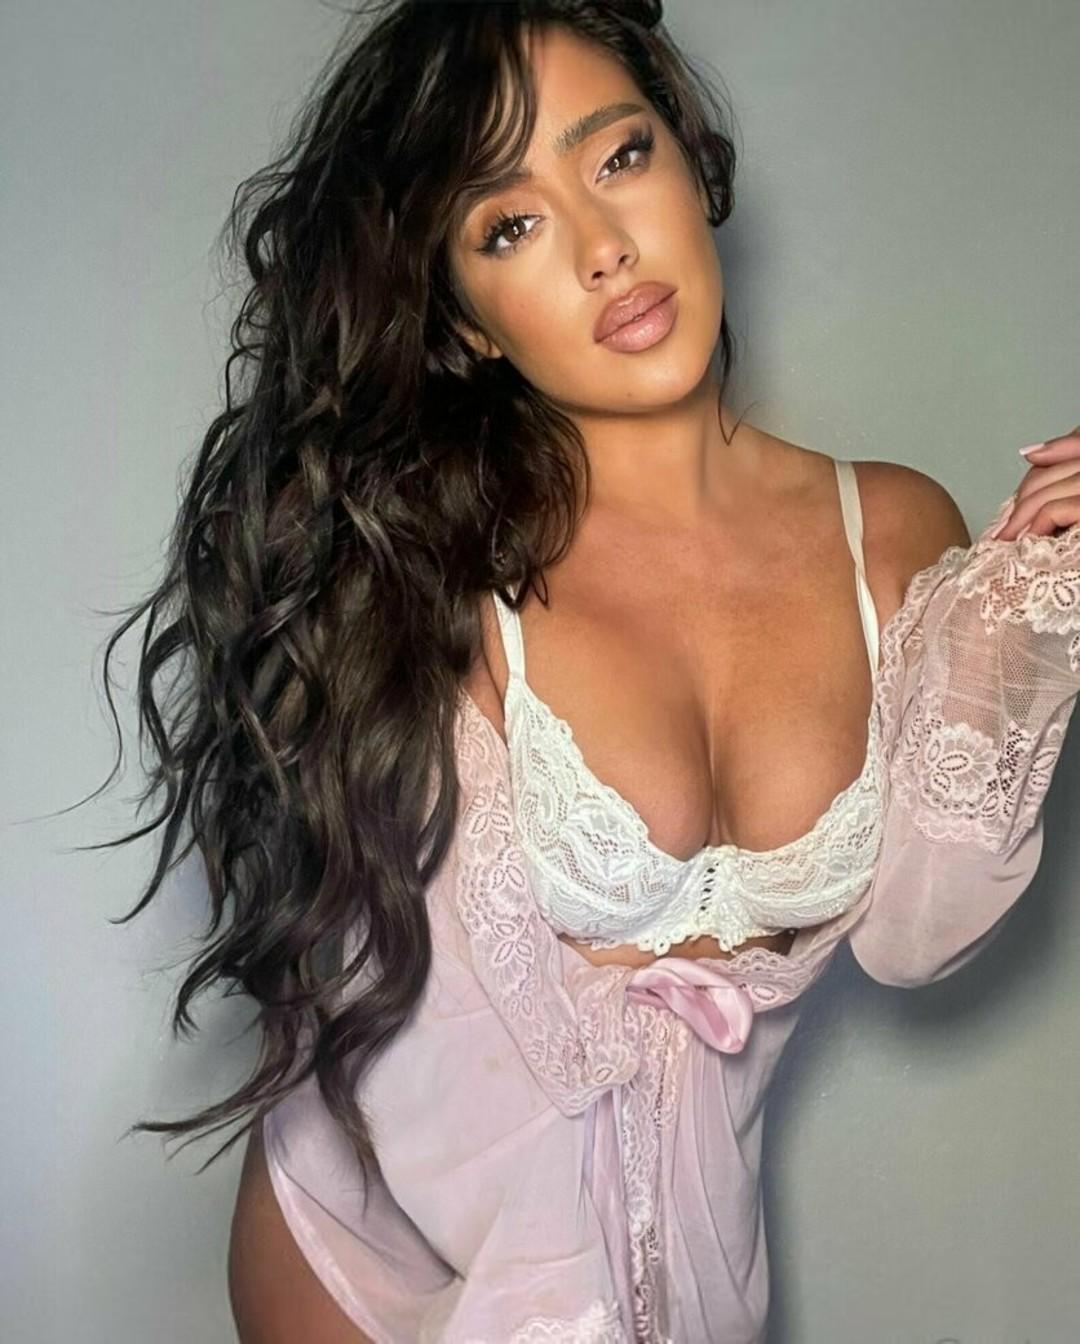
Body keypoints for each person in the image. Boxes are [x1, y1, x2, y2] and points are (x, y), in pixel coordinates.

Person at [88, 2, 1080, 1340]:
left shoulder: (892, 529)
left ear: (690, 161)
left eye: (620, 155)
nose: (604, 246)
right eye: (510, 226)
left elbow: (917, 935)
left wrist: (1042, 596)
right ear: (468, 326)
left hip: (698, 1292)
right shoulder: (427, 568)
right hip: (383, 1275)